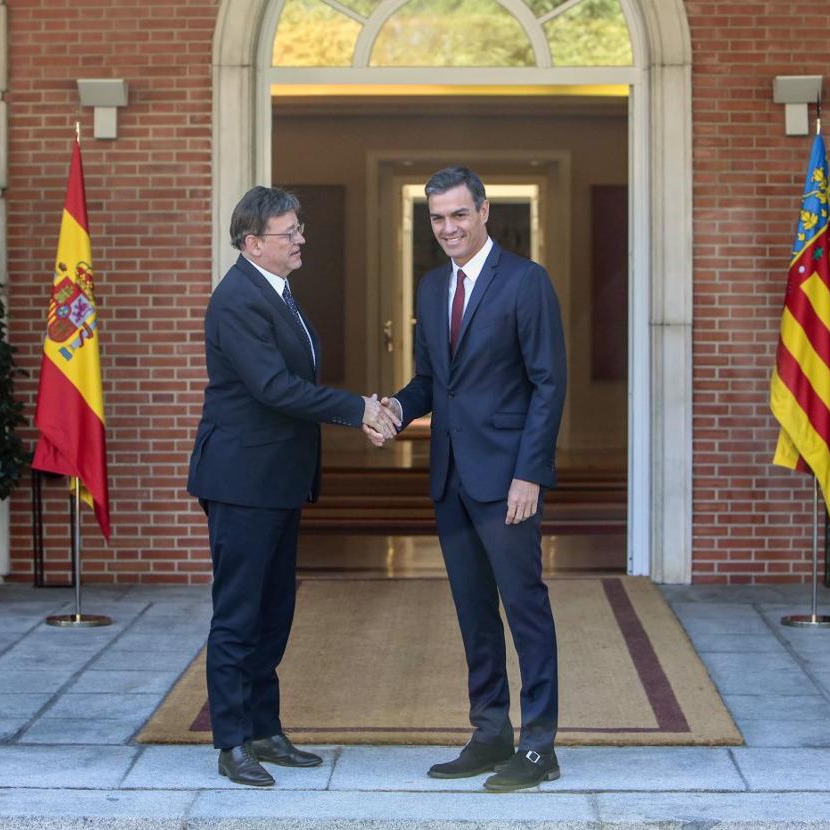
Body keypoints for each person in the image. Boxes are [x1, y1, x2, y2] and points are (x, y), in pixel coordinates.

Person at [188, 185, 400, 788]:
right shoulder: (236, 300)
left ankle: (265, 728)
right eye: (290, 231)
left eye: (299, 228)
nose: (301, 237)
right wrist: (358, 408)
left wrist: (360, 410)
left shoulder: (278, 293)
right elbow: (273, 388)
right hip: (243, 480)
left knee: (275, 609)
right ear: (253, 243)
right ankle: (231, 741)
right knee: (239, 614)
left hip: (277, 480)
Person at [371, 166, 567, 792]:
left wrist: (529, 474)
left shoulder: (526, 282)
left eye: (459, 214)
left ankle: (539, 747)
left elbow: (547, 383)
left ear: (483, 212)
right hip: (451, 477)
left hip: (508, 480)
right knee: (474, 613)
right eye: (437, 218)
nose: (448, 228)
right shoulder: (431, 288)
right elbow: (434, 380)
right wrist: (398, 409)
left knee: (525, 610)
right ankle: (489, 734)